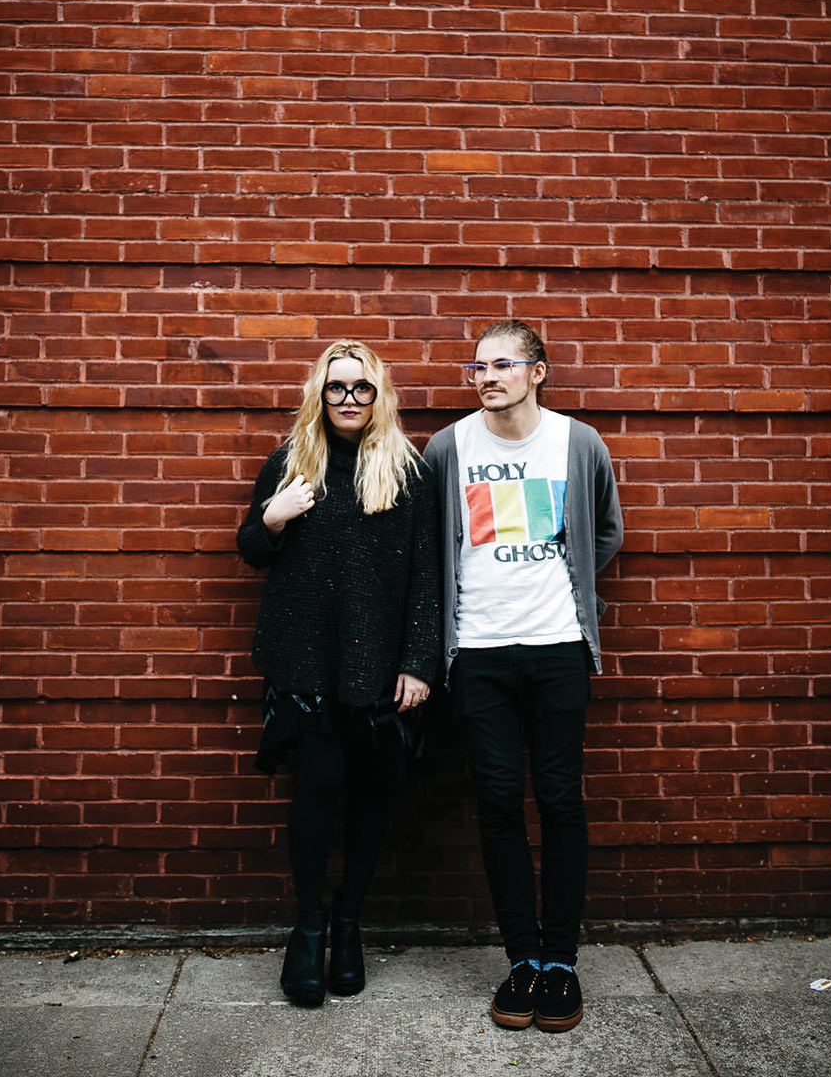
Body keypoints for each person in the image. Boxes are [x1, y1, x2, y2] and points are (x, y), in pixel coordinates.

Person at [423, 320, 623, 1035]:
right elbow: (433, 547)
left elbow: (605, 531)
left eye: (502, 364)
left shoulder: (578, 442)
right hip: (477, 653)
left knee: (562, 799)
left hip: (558, 646)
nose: (486, 377)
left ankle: (562, 962)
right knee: (501, 802)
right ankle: (524, 961)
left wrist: (567, 593)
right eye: (476, 368)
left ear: (538, 372)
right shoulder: (447, 448)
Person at [237, 340, 440, 1007]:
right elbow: (251, 551)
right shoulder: (293, 464)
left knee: (374, 797)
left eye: (361, 388)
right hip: (310, 664)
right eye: (336, 388)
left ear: (379, 396)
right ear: (318, 397)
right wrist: (273, 516)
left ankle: (349, 928)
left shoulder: (408, 475)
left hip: (381, 670)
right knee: (317, 794)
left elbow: (426, 579)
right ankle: (307, 931)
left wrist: (417, 662)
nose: (349, 399)